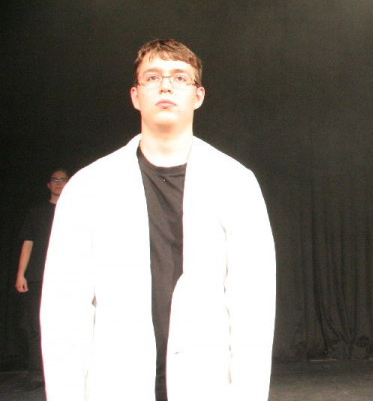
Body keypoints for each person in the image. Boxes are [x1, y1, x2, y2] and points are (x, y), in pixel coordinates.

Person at [41, 39, 276, 401]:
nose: (166, 86)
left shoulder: (235, 183)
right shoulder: (89, 187)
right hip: (115, 384)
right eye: (153, 77)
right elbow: (65, 309)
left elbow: (252, 306)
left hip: (206, 384)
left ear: (198, 95)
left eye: (180, 77)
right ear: (135, 96)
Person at [15, 168, 69, 375]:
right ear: (48, 184)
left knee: (66, 323)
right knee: (37, 324)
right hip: (39, 275)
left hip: (68, 276)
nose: (58, 183)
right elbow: (28, 243)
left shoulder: (75, 210)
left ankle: (64, 370)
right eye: (55, 179)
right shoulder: (36, 212)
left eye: (63, 180)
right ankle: (39, 372)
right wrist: (21, 274)